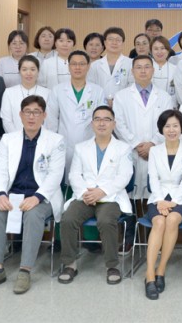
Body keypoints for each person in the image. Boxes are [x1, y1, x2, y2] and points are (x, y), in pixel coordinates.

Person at [0, 95, 66, 294]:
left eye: (36, 112)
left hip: (42, 196)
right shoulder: (8, 139)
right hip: (13, 194)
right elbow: (0, 169)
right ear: (20, 114)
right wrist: (1, 194)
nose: (31, 117)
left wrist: (37, 197)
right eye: (27, 112)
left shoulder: (56, 140)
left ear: (44, 115)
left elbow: (55, 175)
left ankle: (25, 271)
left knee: (33, 215)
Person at [58, 106, 133, 285]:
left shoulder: (123, 148)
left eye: (107, 119)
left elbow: (125, 176)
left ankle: (112, 266)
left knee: (106, 221)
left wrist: (102, 191)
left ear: (114, 124)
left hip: (111, 197)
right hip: (86, 195)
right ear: (92, 124)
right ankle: (70, 264)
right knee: (68, 219)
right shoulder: (81, 148)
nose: (102, 123)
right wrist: (85, 193)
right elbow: (74, 175)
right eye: (97, 119)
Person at [113, 55, 175, 251]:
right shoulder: (121, 96)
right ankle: (129, 238)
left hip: (156, 151)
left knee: (154, 193)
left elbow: (168, 123)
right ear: (132, 71)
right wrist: (137, 144)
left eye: (147, 67)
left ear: (153, 70)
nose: (142, 70)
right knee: (129, 194)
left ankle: (152, 239)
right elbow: (119, 124)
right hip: (130, 152)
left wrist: (153, 144)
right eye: (138, 67)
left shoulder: (164, 97)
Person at [143, 110, 182, 300]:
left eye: (175, 126)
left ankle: (161, 269)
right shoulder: (154, 151)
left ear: (181, 128)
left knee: (172, 220)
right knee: (159, 222)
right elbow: (153, 178)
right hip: (157, 197)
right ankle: (150, 274)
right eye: (167, 126)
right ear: (161, 129)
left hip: (181, 198)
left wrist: (173, 201)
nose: (171, 130)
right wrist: (160, 201)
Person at [45, 50, 105, 173]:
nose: (78, 67)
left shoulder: (97, 91)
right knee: (63, 177)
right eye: (74, 64)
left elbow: (102, 121)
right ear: (69, 67)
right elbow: (51, 121)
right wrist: (52, 145)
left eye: (82, 64)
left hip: (90, 144)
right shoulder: (57, 90)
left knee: (88, 177)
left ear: (88, 66)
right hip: (63, 145)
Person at [0, 56, 50, 133]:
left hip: (42, 137)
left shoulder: (48, 93)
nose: (28, 73)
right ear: (19, 72)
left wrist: (40, 136)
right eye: (24, 69)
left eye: (32, 69)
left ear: (38, 71)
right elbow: (7, 120)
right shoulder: (9, 92)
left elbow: (49, 120)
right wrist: (17, 137)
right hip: (15, 137)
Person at [88, 27, 134, 104]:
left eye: (118, 40)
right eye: (110, 39)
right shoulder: (94, 66)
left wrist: (118, 101)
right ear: (105, 43)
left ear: (123, 43)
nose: (114, 43)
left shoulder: (131, 63)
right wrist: (104, 101)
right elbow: (91, 87)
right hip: (100, 105)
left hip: (123, 105)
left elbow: (132, 86)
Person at [150, 36, 177, 102]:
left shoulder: (175, 69)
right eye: (156, 49)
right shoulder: (146, 68)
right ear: (151, 51)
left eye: (162, 48)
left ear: (168, 50)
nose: (159, 52)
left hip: (170, 105)